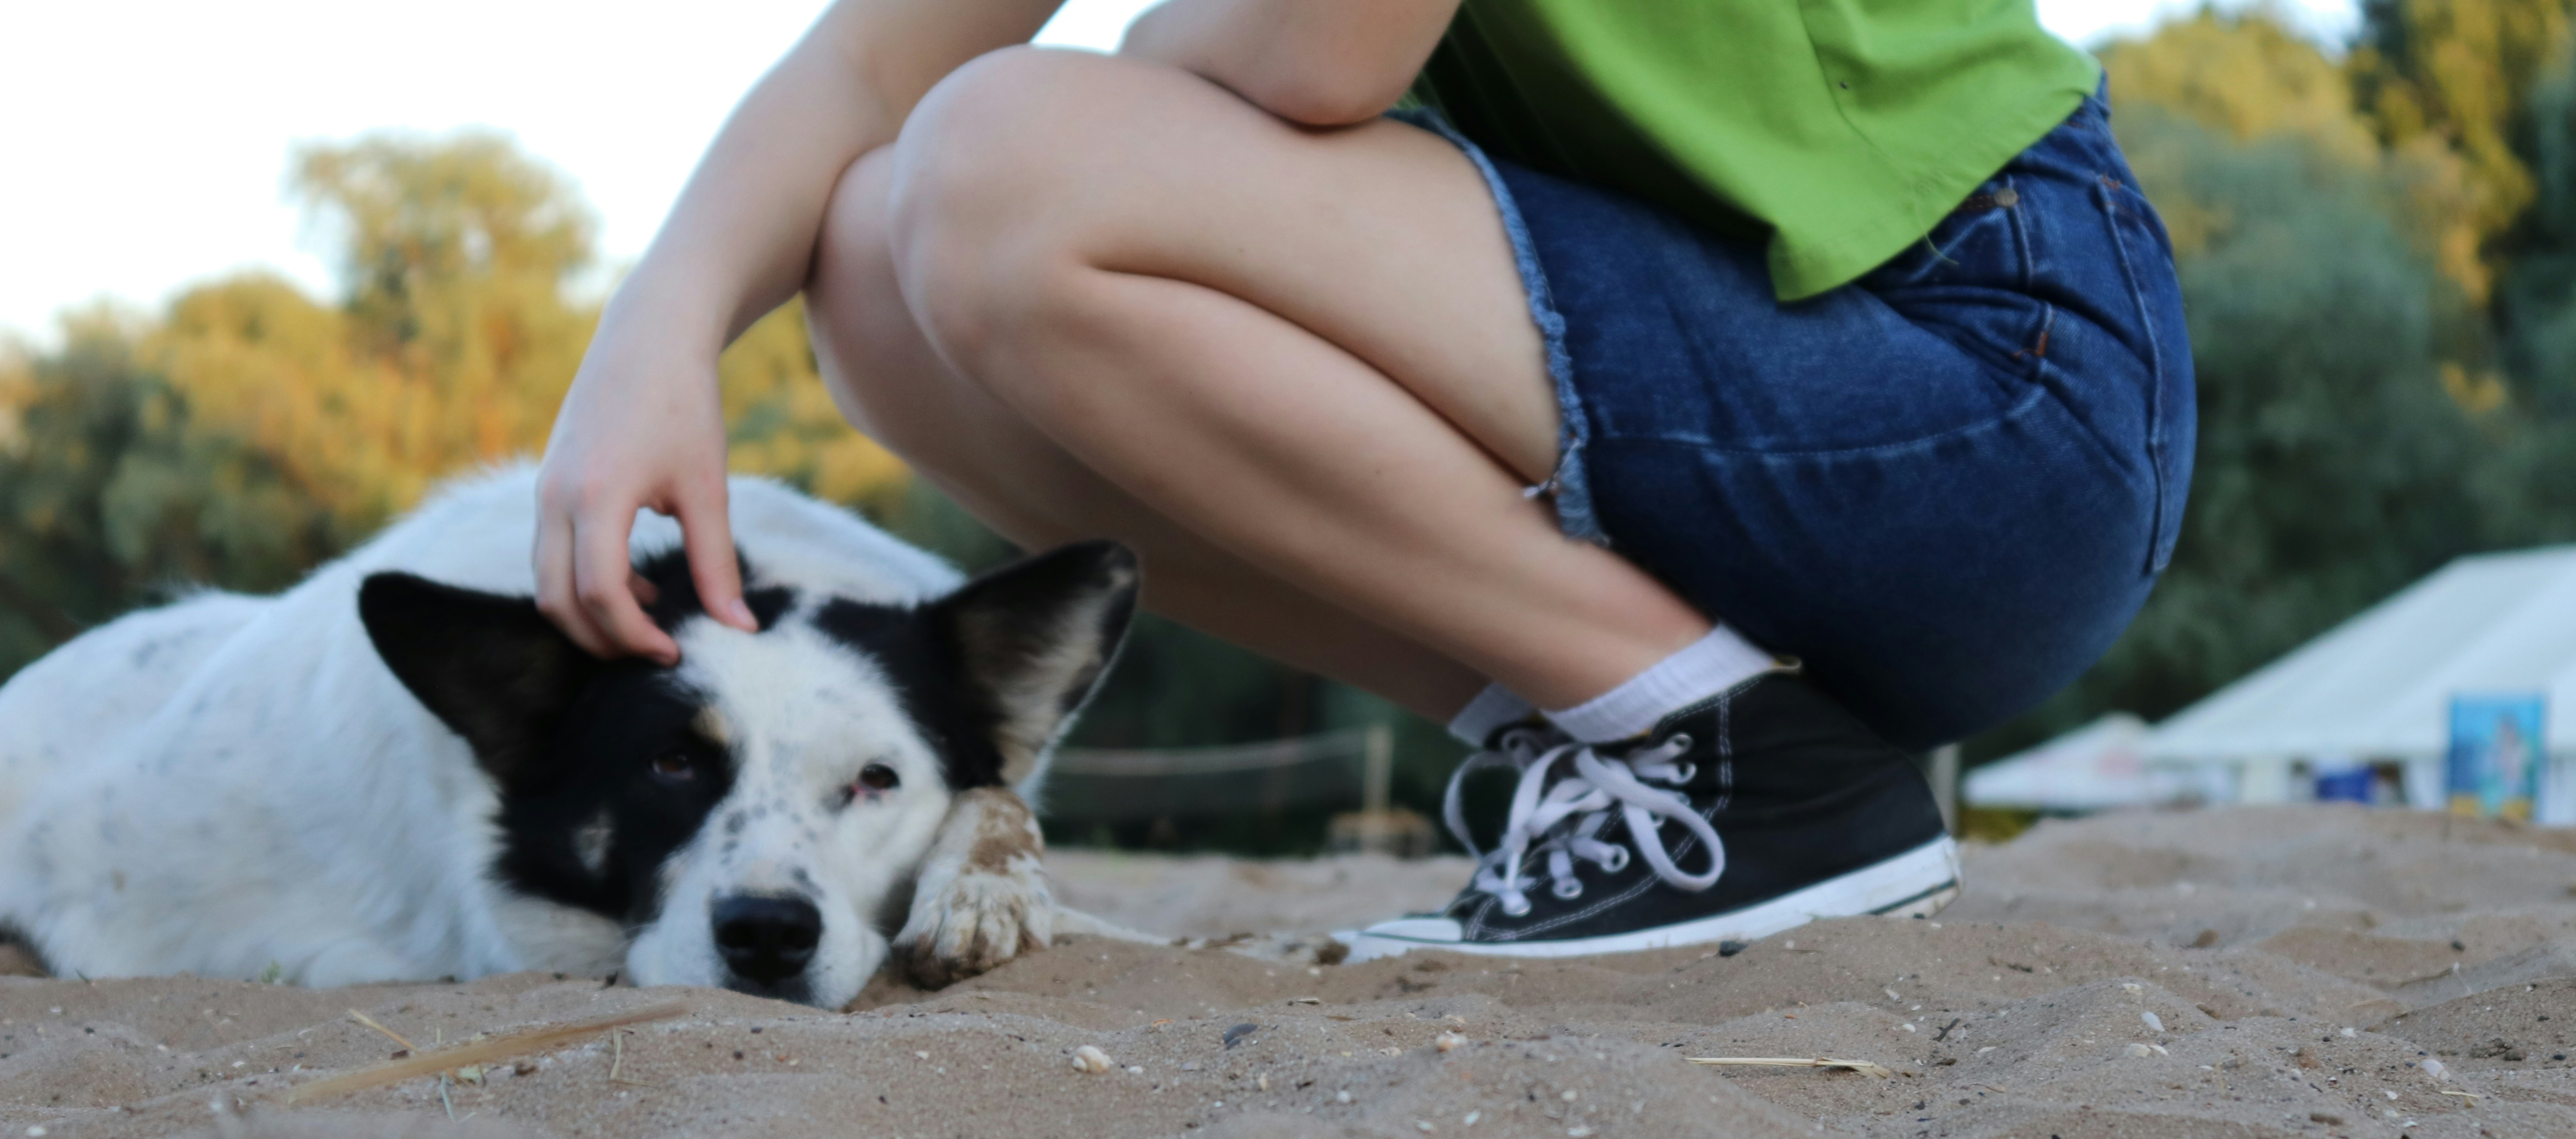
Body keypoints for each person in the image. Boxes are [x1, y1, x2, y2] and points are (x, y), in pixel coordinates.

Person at [535, 0, 2192, 957]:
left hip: (1995, 380)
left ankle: (1729, 755)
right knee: (876, 279)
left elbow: (1320, 48)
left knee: (995, 170)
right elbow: (860, 75)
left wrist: (1127, 68)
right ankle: (1664, 736)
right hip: (1773, 409)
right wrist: (656, 332)